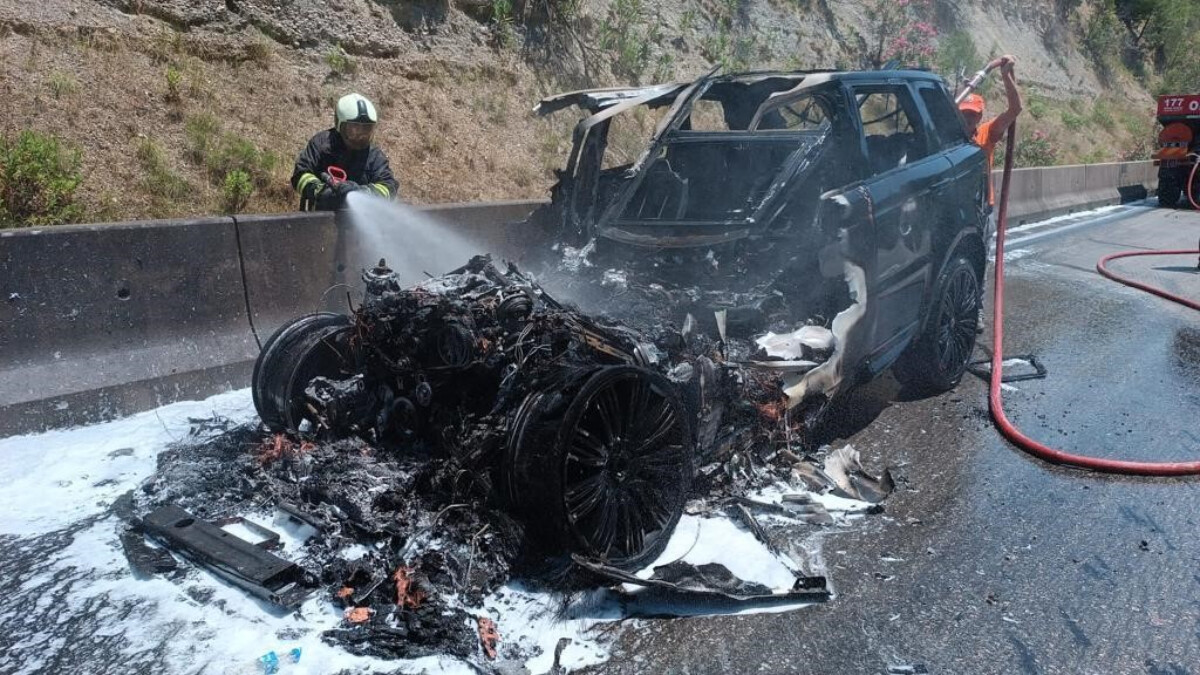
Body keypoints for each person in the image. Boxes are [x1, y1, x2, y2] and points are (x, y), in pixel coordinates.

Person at [292, 93, 399, 211]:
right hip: (319, 220)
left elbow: (388, 187)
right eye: (354, 130)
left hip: (360, 223)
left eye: (366, 130)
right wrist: (321, 191)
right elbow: (300, 175)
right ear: (339, 125)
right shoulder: (322, 144)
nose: (360, 136)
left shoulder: (374, 156)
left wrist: (364, 192)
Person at [958, 55, 1023, 208]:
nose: (967, 118)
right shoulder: (947, 136)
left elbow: (1015, 109)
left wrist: (1005, 75)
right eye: (964, 113)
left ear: (979, 115)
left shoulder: (987, 133)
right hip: (957, 206)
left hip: (982, 206)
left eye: (972, 114)